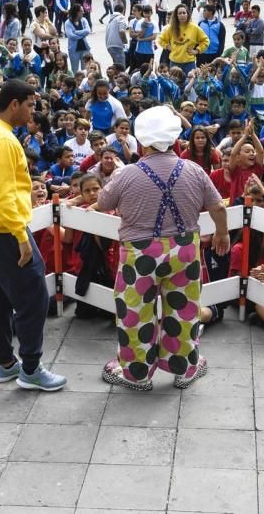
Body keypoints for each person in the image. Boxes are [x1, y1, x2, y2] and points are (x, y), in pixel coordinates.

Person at [95, 105, 230, 391]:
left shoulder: (127, 173)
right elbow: (218, 206)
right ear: (172, 139)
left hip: (139, 254)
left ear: (142, 141)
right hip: (184, 251)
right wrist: (221, 233)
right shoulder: (193, 170)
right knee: (184, 308)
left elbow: (104, 202)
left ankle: (137, 374)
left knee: (135, 312)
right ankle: (185, 368)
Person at [0, 79, 66, 391]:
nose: (33, 110)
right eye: (30, 104)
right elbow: (2, 196)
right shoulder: (2, 141)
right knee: (34, 296)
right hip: (5, 231)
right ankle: (31, 368)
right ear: (15, 104)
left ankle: (6, 363)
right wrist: (21, 237)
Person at [158, 4, 209, 75]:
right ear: (176, 16)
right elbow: (160, 39)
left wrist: (197, 50)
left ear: (187, 14)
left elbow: (206, 40)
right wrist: (167, 46)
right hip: (174, 62)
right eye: (180, 13)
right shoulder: (170, 28)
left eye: (184, 13)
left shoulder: (194, 28)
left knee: (190, 84)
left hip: (189, 63)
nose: (182, 15)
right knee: (174, 84)